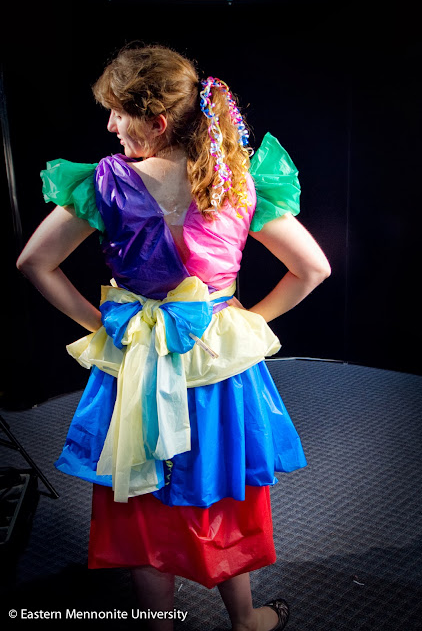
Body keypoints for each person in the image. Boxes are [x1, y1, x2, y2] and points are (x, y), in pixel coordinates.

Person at [16, 43, 331, 631]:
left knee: (140, 498)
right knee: (222, 488)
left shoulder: (105, 184)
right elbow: (313, 269)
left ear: (156, 122)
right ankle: (246, 619)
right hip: (216, 366)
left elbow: (33, 262)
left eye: (118, 113)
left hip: (136, 365)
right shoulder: (236, 183)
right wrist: (249, 321)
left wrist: (103, 326)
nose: (110, 126)